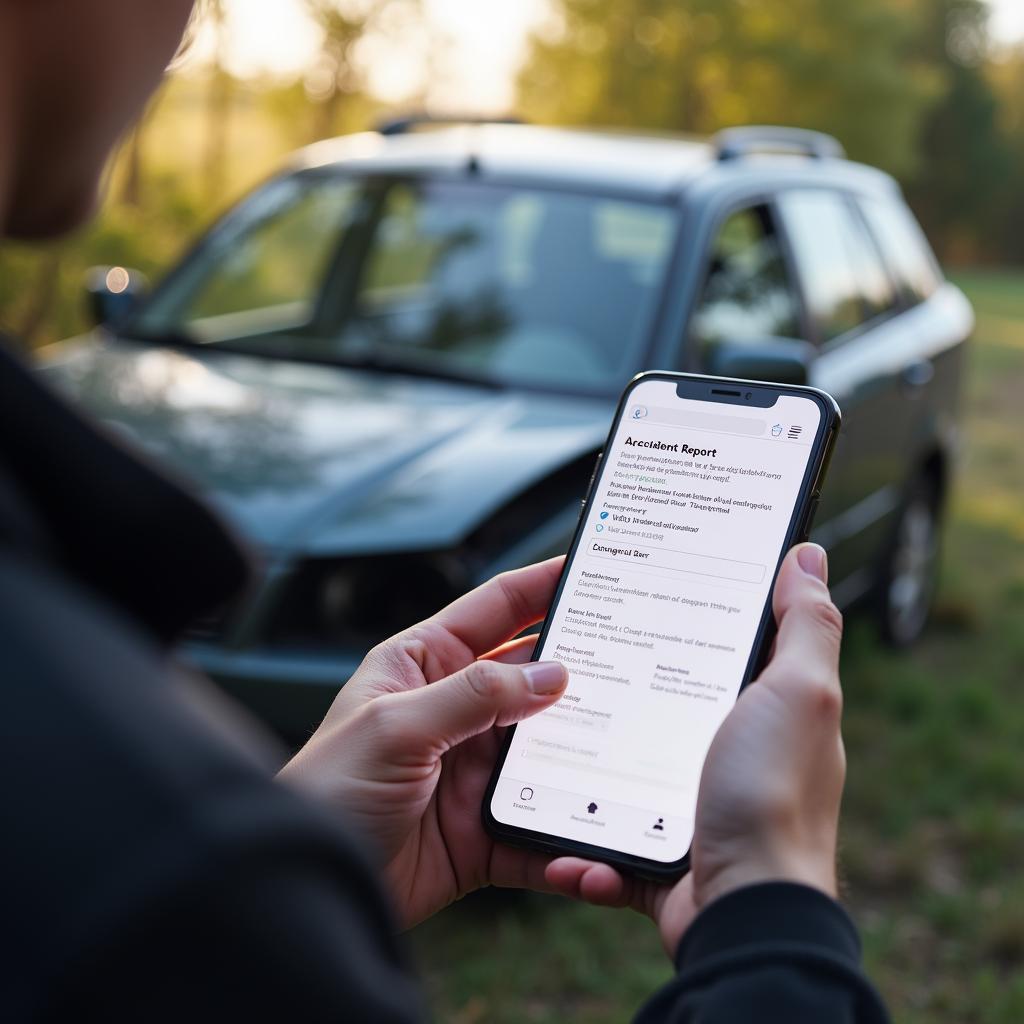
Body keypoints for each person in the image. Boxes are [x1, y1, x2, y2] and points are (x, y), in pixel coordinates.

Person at [0, 1, 889, 1020]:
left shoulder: (158, 855)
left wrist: (301, 866)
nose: (196, 21)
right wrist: (771, 910)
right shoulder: (163, 890)